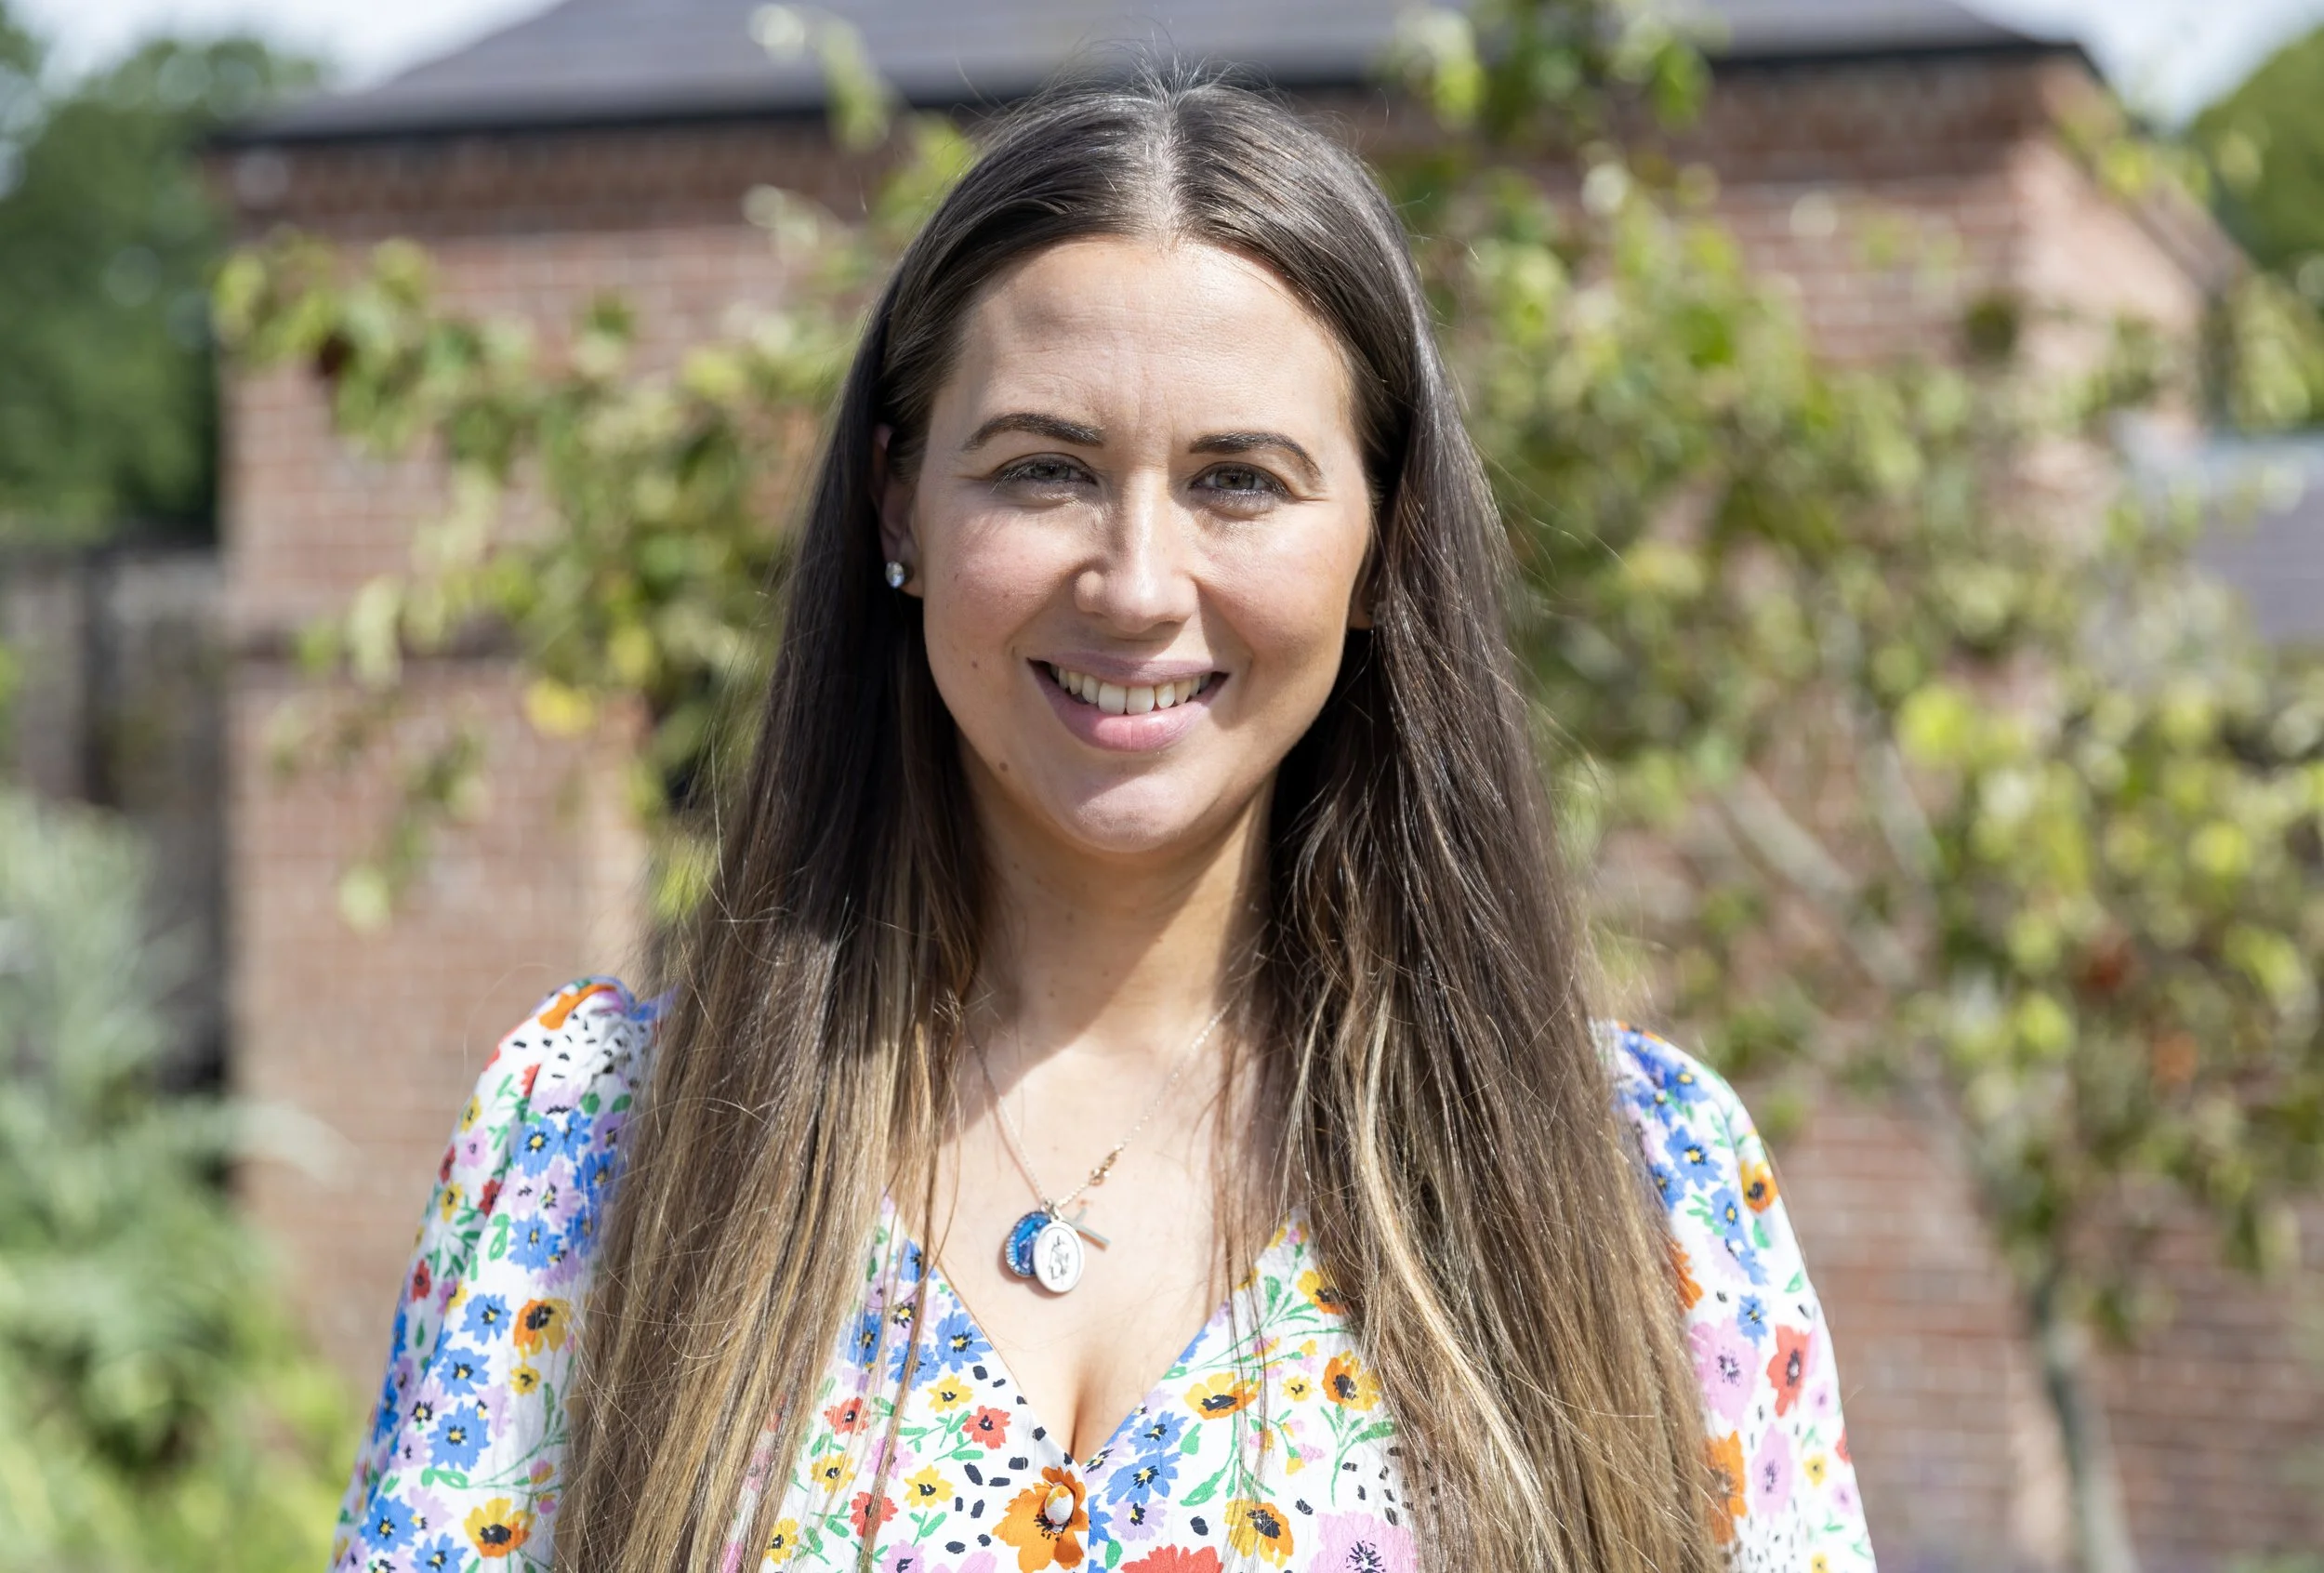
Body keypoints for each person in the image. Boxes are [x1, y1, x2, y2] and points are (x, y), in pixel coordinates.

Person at [331, 71, 1876, 1573]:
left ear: (1383, 541)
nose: (1137, 583)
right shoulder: (590, 1144)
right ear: (899, 505)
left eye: (1240, 482)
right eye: (1045, 469)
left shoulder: (1637, 1186)